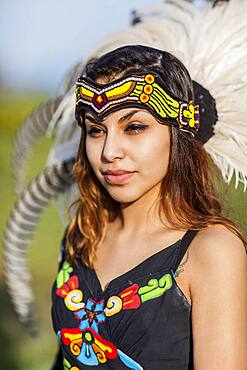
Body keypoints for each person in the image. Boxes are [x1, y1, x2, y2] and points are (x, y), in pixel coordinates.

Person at [51, 44, 246, 370]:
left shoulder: (212, 251)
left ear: (178, 133)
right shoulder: (82, 235)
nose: (110, 151)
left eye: (135, 127)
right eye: (96, 130)